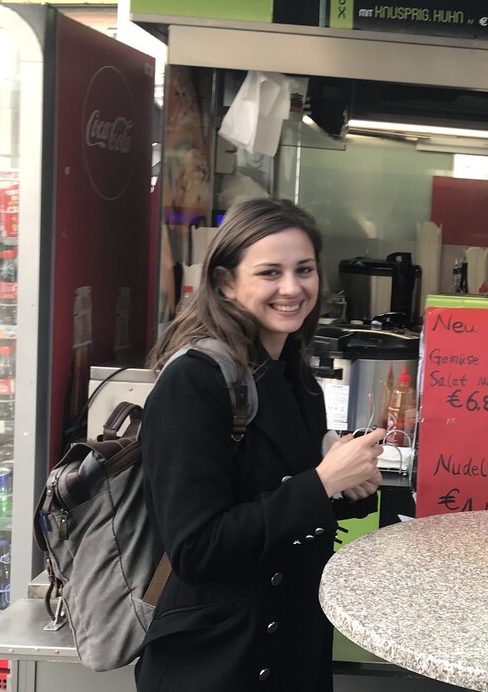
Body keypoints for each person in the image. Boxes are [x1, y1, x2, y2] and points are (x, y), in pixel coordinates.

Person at [137, 198, 386, 691]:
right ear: (227, 283)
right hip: (219, 662)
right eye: (270, 272)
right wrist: (322, 482)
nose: (292, 288)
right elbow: (196, 549)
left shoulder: (295, 374)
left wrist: (347, 487)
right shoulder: (195, 381)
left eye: (304, 270)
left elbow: (280, 498)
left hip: (292, 645)